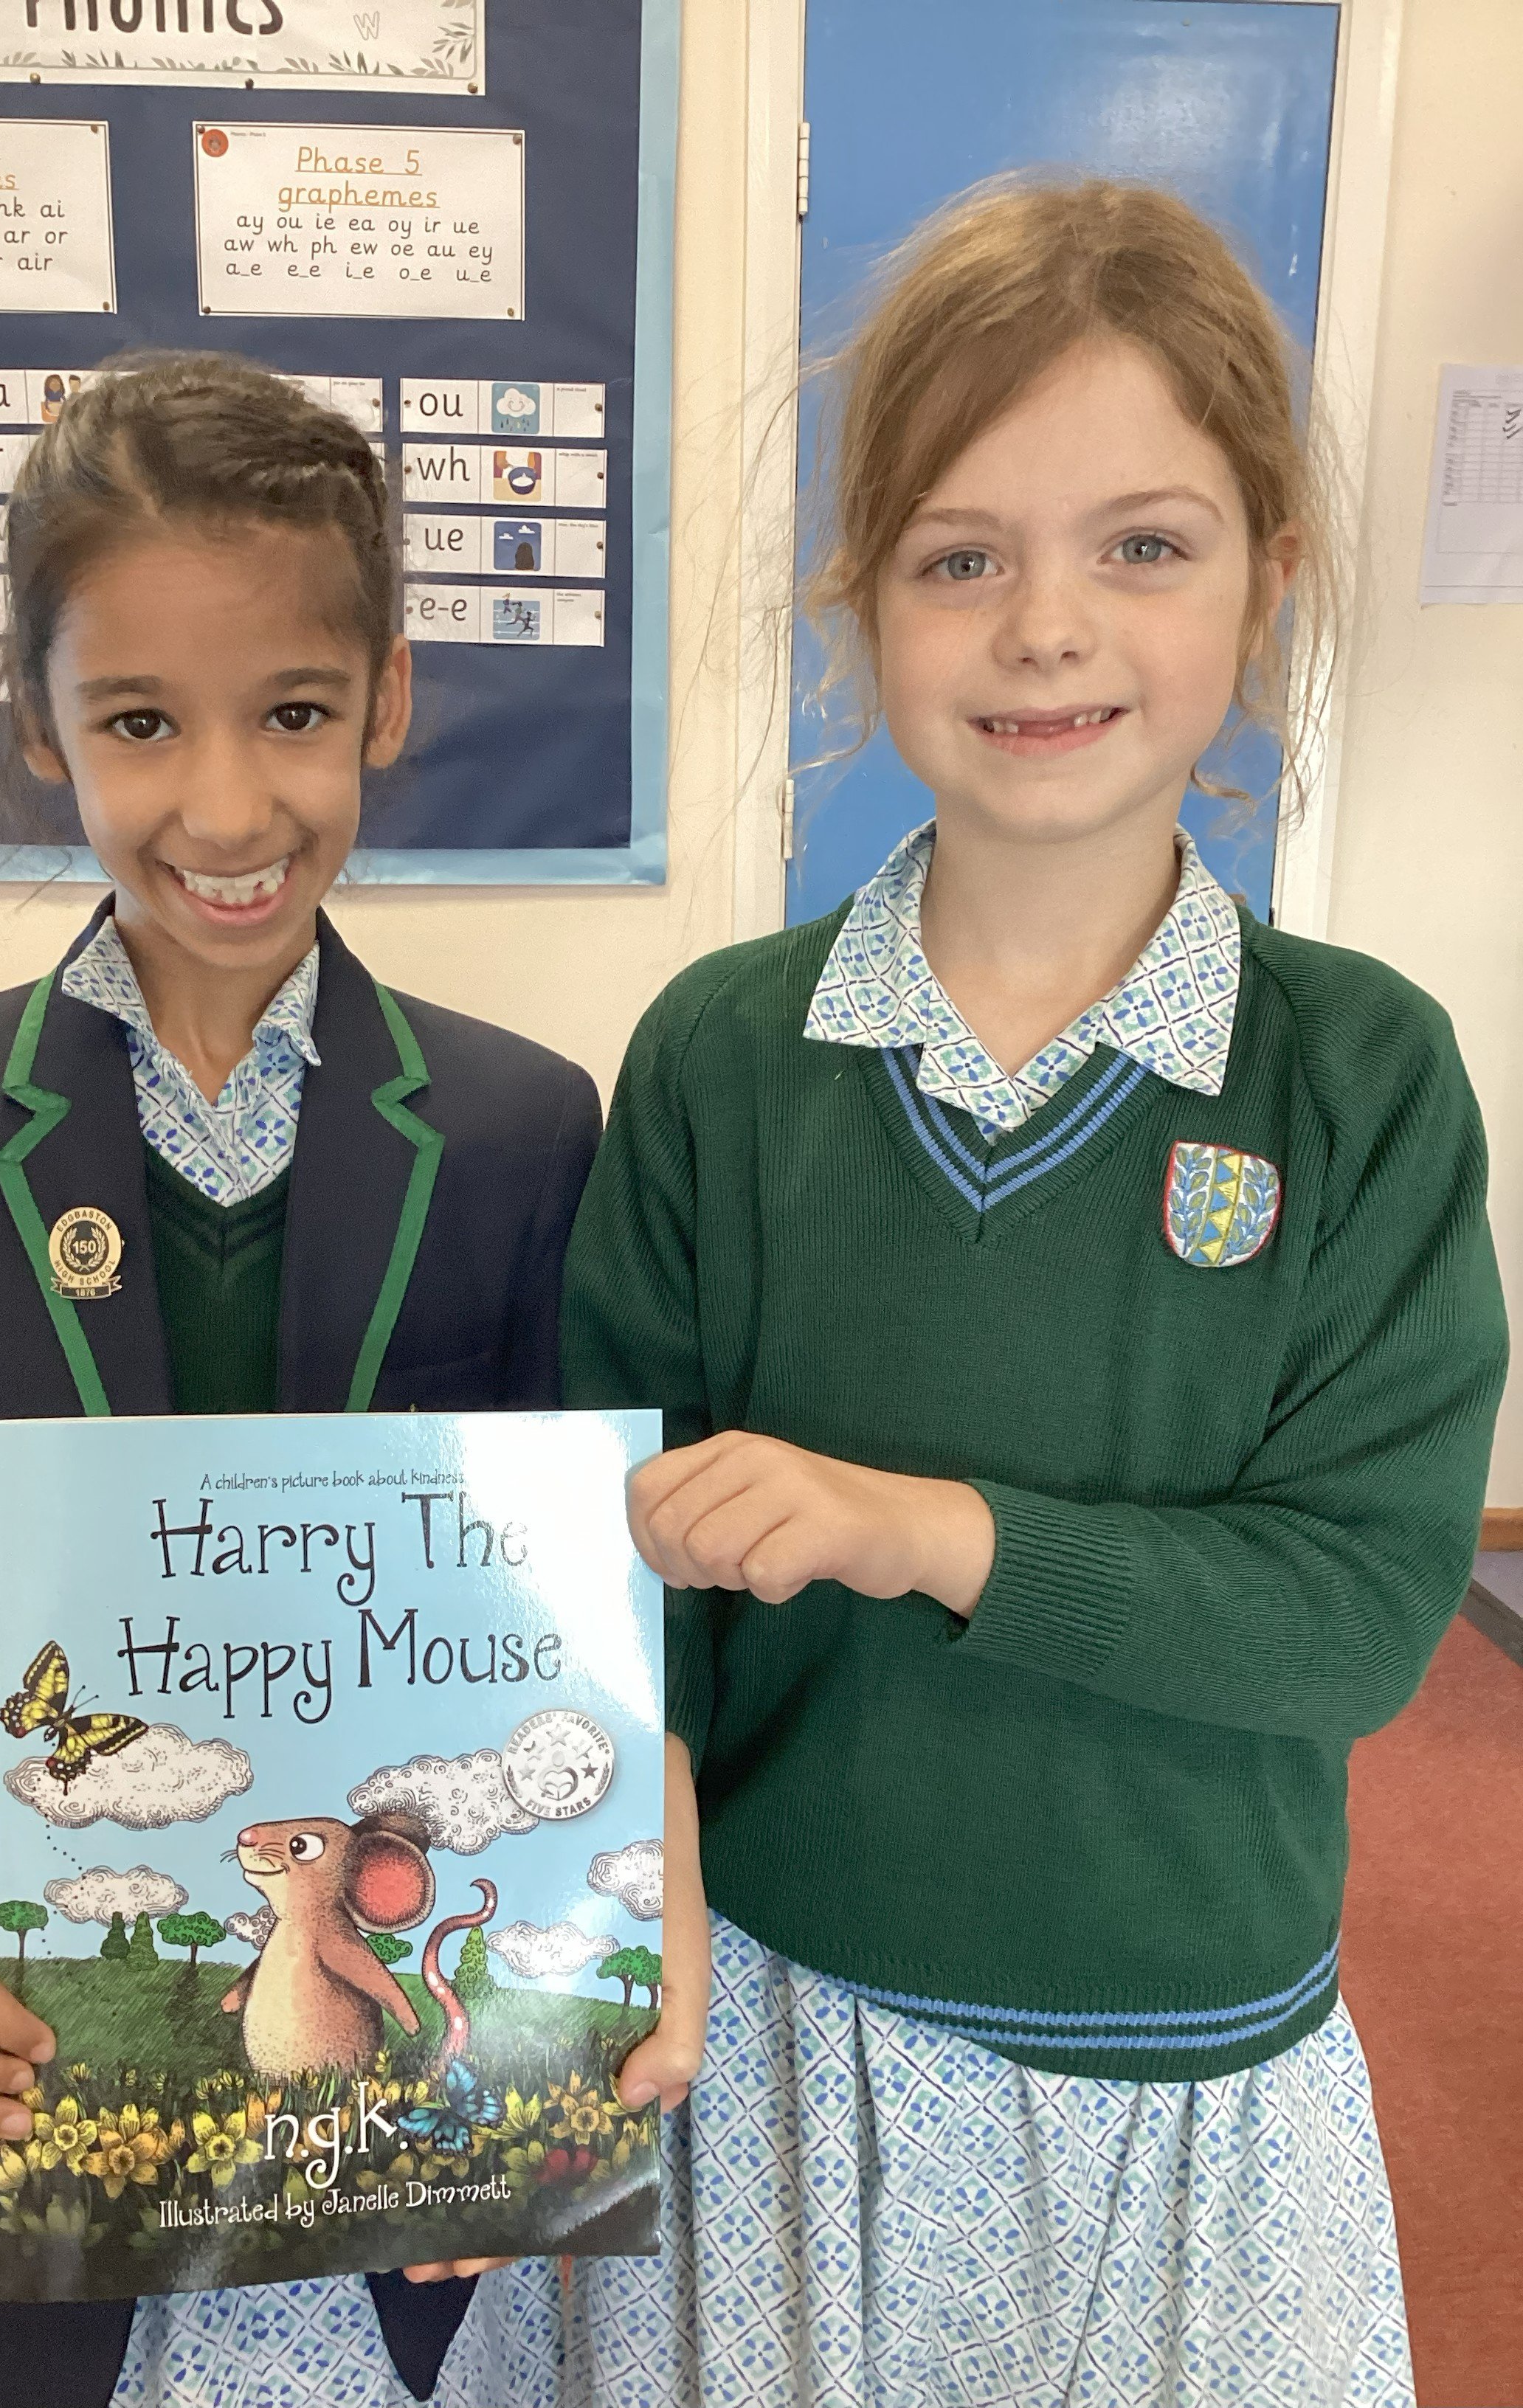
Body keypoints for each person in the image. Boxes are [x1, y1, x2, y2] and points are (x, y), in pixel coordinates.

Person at [532, 179, 1505, 2405]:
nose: (1046, 629)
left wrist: (917, 1529)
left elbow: (1361, 1621)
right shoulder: (721, 1056)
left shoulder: (1361, 1076)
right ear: (861, 603)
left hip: (1185, 2071)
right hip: (780, 2037)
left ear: (1268, 579)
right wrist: (634, 1826)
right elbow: (615, 1561)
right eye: (960, 557)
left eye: (1143, 545)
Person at [0, 355, 601, 2408]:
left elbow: (568, 1624)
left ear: (385, 699)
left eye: (292, 713)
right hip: (18, 2136)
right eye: (139, 723)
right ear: (42, 727)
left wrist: (531, 2052)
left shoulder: (521, 1133)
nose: (223, 806)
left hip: (399, 2209)